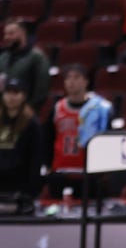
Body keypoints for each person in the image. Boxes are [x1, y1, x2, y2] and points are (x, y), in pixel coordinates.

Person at [42, 64, 113, 199]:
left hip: (88, 173)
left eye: (76, 77)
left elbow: (107, 141)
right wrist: (48, 165)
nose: (71, 82)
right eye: (68, 78)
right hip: (61, 172)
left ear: (86, 81)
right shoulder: (57, 108)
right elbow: (47, 139)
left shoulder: (99, 109)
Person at [0, 77, 44, 213]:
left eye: (16, 93)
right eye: (8, 92)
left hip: (20, 187)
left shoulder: (32, 124)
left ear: (23, 96)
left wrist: (30, 191)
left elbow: (36, 158)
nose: (11, 97)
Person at [0, 20, 49, 111]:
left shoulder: (37, 57)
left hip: (26, 113)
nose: (6, 37)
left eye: (11, 33)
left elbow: (41, 91)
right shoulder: (3, 58)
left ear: (22, 34)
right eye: (5, 34)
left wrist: (27, 111)